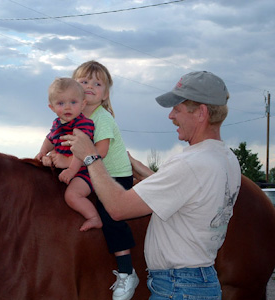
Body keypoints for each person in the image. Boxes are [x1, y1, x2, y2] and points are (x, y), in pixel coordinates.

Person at [62, 71, 241, 299]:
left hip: (177, 288)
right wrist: (149, 175)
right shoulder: (225, 158)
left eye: (178, 108)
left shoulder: (190, 164)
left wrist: (90, 156)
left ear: (201, 113)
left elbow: (118, 209)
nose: (171, 116)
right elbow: (190, 197)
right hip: (200, 281)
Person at [50, 61, 139, 300]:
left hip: (115, 175)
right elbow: (56, 141)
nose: (90, 86)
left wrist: (67, 162)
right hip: (89, 171)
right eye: (84, 82)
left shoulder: (102, 119)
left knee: (112, 215)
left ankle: (127, 272)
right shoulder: (69, 117)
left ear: (106, 93)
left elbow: (100, 151)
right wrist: (48, 155)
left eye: (97, 83)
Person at [35, 77, 102, 232]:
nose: (67, 108)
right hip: (65, 168)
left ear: (83, 104)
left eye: (73, 102)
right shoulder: (56, 123)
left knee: (72, 195)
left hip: (85, 172)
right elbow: (49, 138)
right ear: (51, 107)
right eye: (61, 103)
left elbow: (81, 150)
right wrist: (42, 152)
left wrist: (71, 170)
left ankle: (94, 217)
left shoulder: (83, 124)